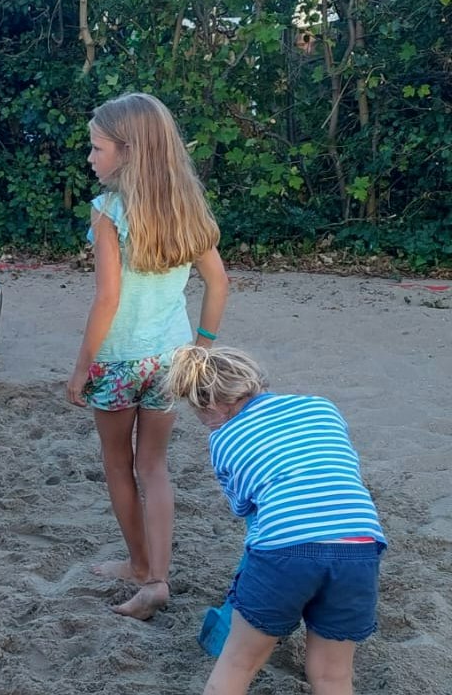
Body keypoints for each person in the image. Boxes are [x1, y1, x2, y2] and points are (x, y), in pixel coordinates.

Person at [67, 92, 229, 619]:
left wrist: (81, 367)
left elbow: (107, 299)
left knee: (118, 464)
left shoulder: (109, 211)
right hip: (170, 358)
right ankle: (158, 577)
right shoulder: (186, 207)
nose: (90, 158)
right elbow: (218, 282)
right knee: (154, 467)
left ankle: (140, 566)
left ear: (128, 150)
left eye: (97, 148)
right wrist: (199, 352)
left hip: (116, 361)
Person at [164, 344, 384, 695]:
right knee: (332, 674)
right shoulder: (321, 407)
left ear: (210, 405)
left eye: (199, 413)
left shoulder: (223, 437)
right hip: (359, 545)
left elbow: (246, 507)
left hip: (284, 549)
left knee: (239, 661)